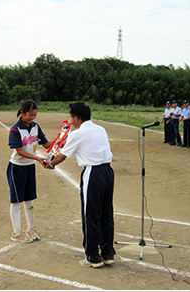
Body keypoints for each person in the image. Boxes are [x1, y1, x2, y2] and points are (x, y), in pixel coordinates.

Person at [46, 102, 115, 268]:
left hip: (93, 173)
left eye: (72, 117)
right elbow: (78, 145)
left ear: (76, 118)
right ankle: (107, 253)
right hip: (108, 172)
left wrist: (51, 164)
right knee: (106, 214)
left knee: (90, 215)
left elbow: (62, 156)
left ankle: (93, 256)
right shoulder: (100, 129)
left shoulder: (77, 134)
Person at [7, 100, 52, 243]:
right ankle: (16, 232)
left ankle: (30, 229)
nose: (32, 118)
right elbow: (20, 151)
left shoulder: (36, 127)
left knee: (30, 201)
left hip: (29, 167)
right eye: (30, 115)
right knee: (16, 201)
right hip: (17, 168)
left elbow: (45, 144)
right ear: (22, 113)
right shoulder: (15, 130)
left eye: (35, 115)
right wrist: (38, 158)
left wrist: (61, 140)